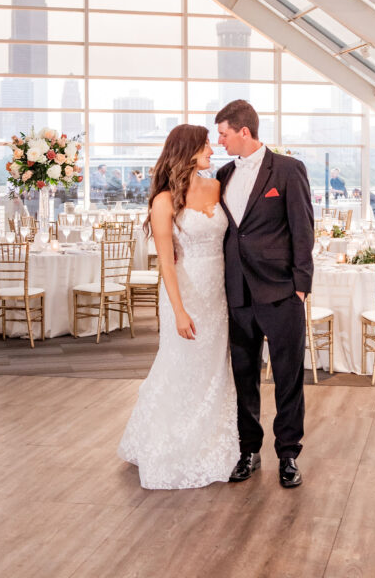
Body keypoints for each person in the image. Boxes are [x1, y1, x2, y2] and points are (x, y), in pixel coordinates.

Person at [118, 125, 238, 489]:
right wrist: (179, 310)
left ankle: (215, 439)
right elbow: (166, 263)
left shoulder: (218, 187)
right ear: (188, 150)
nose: (213, 151)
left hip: (218, 293)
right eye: (206, 146)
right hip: (183, 293)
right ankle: (172, 440)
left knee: (216, 366)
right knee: (181, 363)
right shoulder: (164, 201)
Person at [215, 99, 314, 490]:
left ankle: (288, 455)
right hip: (238, 292)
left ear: (244, 132)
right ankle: (248, 450)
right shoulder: (222, 174)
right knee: (244, 376)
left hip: (282, 292)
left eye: (223, 133)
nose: (218, 140)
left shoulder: (289, 170)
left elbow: (303, 229)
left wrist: (302, 286)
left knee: (289, 376)